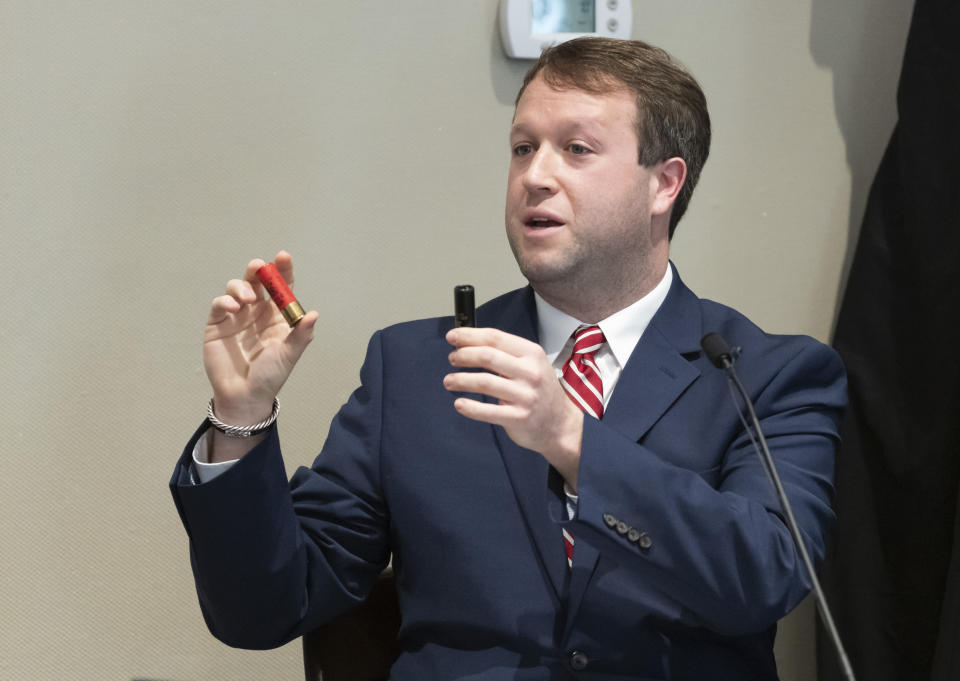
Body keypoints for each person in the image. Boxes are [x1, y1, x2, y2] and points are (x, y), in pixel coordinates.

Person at [170, 37, 846, 680]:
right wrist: (241, 416)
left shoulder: (767, 374)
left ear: (664, 184)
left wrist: (573, 440)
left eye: (576, 149)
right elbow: (264, 608)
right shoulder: (412, 368)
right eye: (523, 148)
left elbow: (767, 575)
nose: (535, 176)